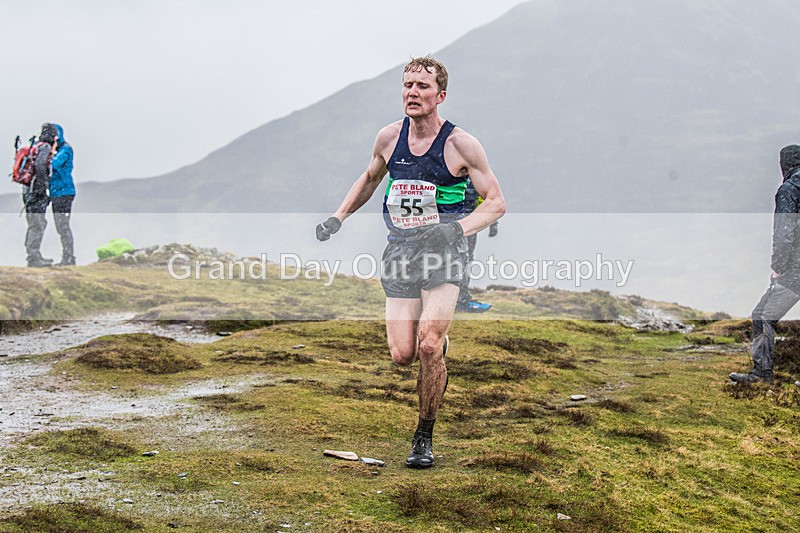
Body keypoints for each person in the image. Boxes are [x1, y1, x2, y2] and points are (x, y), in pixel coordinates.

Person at [316, 56, 505, 468]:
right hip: (400, 252)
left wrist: (456, 230)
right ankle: (436, 353)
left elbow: (496, 203)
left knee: (426, 345)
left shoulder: (461, 145)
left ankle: (424, 435)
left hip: (444, 252)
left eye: (422, 86)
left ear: (440, 95)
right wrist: (338, 217)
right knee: (402, 354)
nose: (413, 93)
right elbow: (369, 179)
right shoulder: (388, 137)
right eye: (407, 85)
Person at [730, 145, 800, 384]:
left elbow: (784, 233)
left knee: (762, 315)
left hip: (796, 270)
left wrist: (778, 266)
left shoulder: (790, 190)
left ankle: (762, 373)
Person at [456, 178, 499, 312]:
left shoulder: (475, 170)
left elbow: (487, 197)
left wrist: (493, 222)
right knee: (459, 260)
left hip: (469, 223)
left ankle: (461, 300)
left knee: (465, 259)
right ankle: (460, 301)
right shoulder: (449, 165)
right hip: (455, 222)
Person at [23, 123, 58, 268]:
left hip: (27, 191)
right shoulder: (45, 148)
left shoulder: (36, 146)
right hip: (36, 192)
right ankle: (33, 257)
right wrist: (43, 187)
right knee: (38, 223)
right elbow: (40, 165)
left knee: (34, 223)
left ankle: (33, 255)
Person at [49, 124, 76, 266]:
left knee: (63, 226)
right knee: (60, 226)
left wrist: (46, 153)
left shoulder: (65, 149)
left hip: (65, 192)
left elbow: (55, 164)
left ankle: (69, 258)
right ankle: (68, 257)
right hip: (56, 193)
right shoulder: (58, 149)